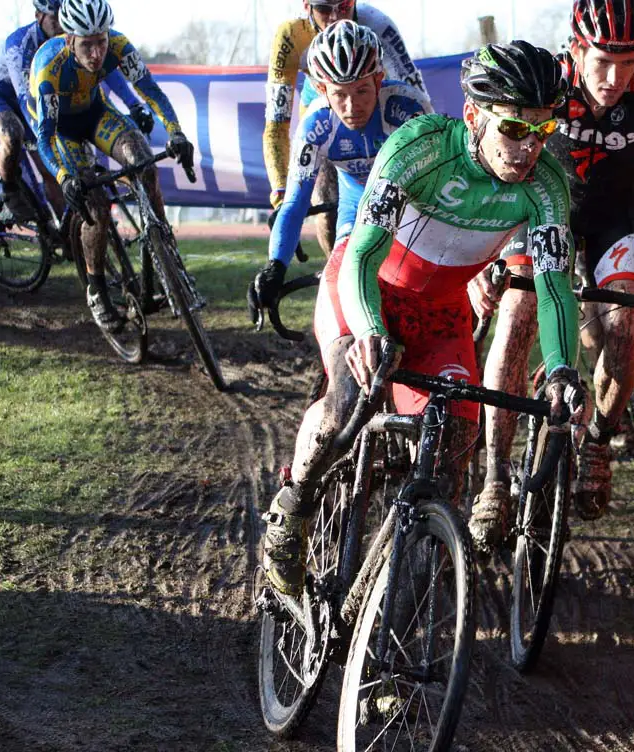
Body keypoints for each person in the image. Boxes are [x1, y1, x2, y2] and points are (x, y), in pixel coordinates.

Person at [259, 41, 586, 596]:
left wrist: (560, 369)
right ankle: (292, 509)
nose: (529, 148)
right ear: (474, 116)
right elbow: (361, 254)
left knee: (455, 448)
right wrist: (367, 331)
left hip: (441, 315)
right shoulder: (418, 150)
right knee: (346, 403)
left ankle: (393, 607)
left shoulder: (547, 186)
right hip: (368, 289)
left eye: (544, 131)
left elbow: (554, 290)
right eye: (513, 129)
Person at [468, 0, 634, 551]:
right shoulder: (546, 84)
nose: (615, 77)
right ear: (576, 48)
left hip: (618, 216)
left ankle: (598, 439)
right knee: (518, 314)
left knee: (629, 321)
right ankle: (495, 478)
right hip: (544, 207)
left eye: (629, 61)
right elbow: (495, 166)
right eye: (602, 60)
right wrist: (487, 256)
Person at [249, 20, 432, 321]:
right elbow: (295, 204)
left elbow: (440, 181)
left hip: (414, 208)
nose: (352, 106)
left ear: (379, 79)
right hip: (355, 210)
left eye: (361, 90)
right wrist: (275, 267)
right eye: (339, 94)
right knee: (341, 293)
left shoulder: (409, 108)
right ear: (322, 89)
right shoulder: (315, 127)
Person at [30, 0, 195, 331]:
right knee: (97, 207)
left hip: (95, 114)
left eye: (100, 42)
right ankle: (97, 288)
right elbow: (45, 137)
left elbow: (151, 93)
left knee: (145, 166)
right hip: (61, 131)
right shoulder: (50, 69)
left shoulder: (119, 46)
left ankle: (167, 256)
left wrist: (177, 133)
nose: (96, 54)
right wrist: (64, 178)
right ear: (69, 40)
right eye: (86, 45)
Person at [263, 0, 429, 257]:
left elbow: (416, 99)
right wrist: (281, 199)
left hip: (374, 110)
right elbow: (276, 125)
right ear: (307, 6)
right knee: (331, 224)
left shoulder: (377, 24)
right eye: (324, 9)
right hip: (324, 120)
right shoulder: (292, 34)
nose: (335, 17)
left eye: (343, 6)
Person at [0, 0, 153, 219]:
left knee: (53, 173)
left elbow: (108, 70)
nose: (62, 25)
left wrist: (133, 104)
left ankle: (66, 235)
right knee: (14, 134)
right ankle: (10, 188)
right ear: (38, 16)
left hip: (37, 100)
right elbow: (24, 98)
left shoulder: (72, 41)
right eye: (55, 19)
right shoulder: (20, 44)